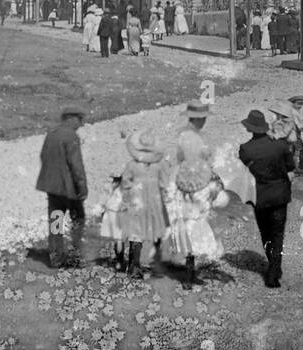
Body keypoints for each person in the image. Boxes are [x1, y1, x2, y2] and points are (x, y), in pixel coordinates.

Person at [162, 100, 224, 286]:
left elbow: (178, 160)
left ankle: (187, 266)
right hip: (196, 180)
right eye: (203, 118)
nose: (204, 121)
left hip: (182, 179)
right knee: (197, 219)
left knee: (186, 219)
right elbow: (200, 160)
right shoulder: (196, 138)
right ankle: (190, 269)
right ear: (198, 119)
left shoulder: (182, 134)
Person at [239, 107, 297, 288]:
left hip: (259, 197)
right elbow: (290, 168)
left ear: (249, 129)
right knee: (278, 233)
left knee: (266, 233)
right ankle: (274, 271)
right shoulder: (280, 146)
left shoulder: (245, 150)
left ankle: (273, 266)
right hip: (279, 195)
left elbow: (244, 173)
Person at [99, 130, 169, 278]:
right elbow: (162, 185)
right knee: (137, 235)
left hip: (131, 202)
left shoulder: (132, 165)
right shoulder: (156, 166)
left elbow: (125, 183)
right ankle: (133, 266)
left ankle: (122, 264)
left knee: (124, 234)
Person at [36, 106, 89, 269]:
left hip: (52, 187)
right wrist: (82, 187)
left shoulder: (51, 133)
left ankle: (56, 258)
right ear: (72, 118)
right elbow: (76, 166)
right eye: (80, 120)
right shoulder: (71, 136)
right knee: (78, 220)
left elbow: (43, 156)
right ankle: (75, 257)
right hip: (69, 188)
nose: (81, 124)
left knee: (56, 221)